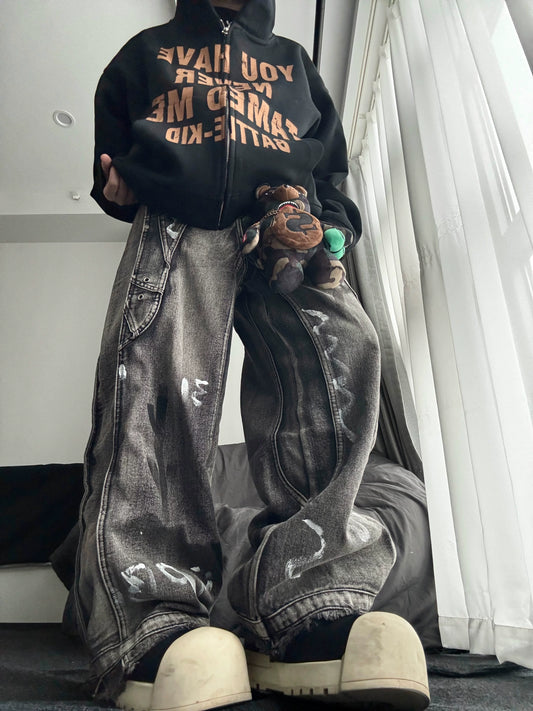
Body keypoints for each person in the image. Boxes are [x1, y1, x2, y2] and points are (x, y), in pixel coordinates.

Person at [70, 1, 430, 709]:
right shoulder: (147, 52)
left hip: (287, 221)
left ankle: (314, 600)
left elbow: (330, 170)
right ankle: (155, 616)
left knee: (337, 360)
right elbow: (115, 158)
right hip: (181, 217)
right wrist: (119, 188)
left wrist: (333, 231)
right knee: (158, 378)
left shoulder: (295, 64)